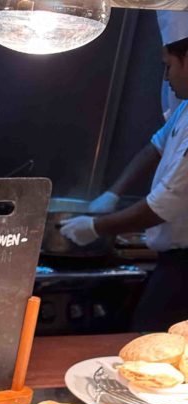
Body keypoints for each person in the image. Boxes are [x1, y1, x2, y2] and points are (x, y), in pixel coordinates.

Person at [60, 28, 188, 330]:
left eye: (168, 66)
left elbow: (164, 205)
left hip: (184, 265)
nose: (166, 78)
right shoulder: (185, 107)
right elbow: (155, 147)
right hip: (172, 261)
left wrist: (95, 227)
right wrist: (113, 194)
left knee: (149, 342)